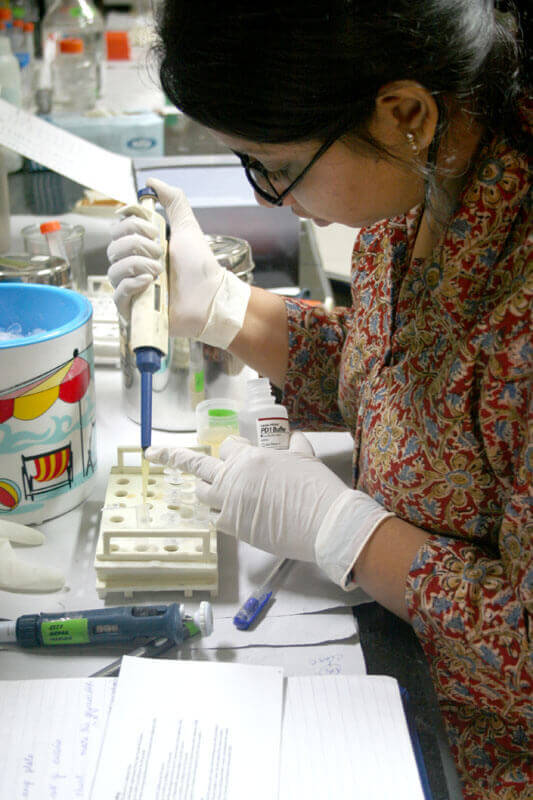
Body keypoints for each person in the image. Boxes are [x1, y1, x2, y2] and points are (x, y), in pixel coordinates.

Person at [106, 2, 531, 797]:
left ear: (402, 110)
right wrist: (229, 308)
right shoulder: (423, 177)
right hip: (392, 670)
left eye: (274, 164)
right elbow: (403, 371)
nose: (267, 199)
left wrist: (346, 533)